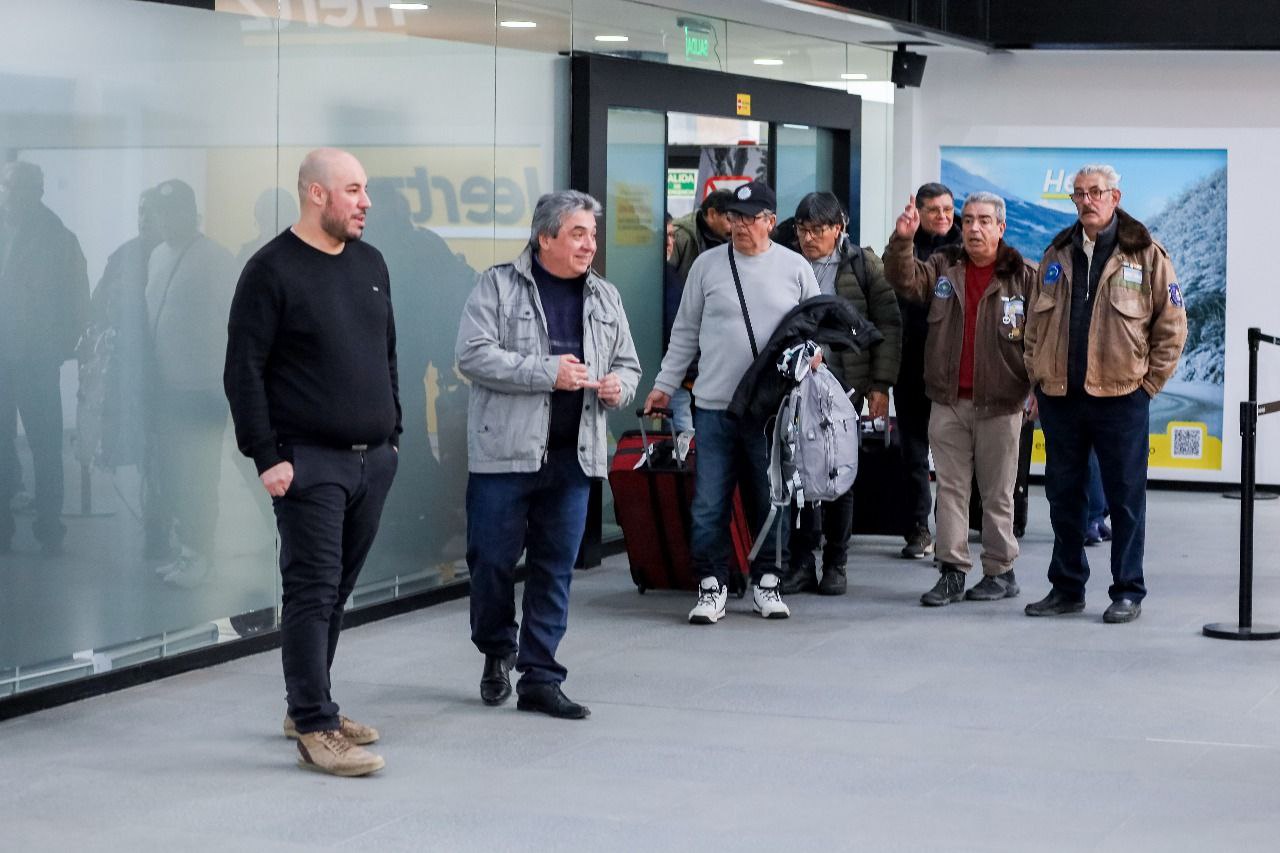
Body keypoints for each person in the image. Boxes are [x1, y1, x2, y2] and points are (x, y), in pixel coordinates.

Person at [225, 148, 399, 776]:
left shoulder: (371, 262)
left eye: (364, 189)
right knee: (312, 591)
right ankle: (315, 726)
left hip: (372, 461)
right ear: (316, 194)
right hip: (308, 464)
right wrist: (266, 456)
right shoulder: (270, 270)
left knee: (337, 592)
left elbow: (387, 354)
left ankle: (308, 705)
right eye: (353, 190)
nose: (366, 202)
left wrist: (394, 436)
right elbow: (242, 371)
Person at [456, 190, 640, 720]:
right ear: (545, 237)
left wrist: (619, 387)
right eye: (578, 234)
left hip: (573, 458)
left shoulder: (606, 296)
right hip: (504, 456)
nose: (589, 245)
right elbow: (472, 355)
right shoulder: (497, 285)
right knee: (491, 561)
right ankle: (497, 648)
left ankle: (540, 676)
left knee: (554, 569)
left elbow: (628, 364)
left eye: (592, 234)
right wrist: (546, 372)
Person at [643, 180, 821, 624]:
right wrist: (664, 385)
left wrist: (814, 356)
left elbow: (817, 328)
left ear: (770, 221)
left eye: (750, 218)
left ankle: (768, 582)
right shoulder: (706, 267)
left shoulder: (795, 268)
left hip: (771, 410)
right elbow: (685, 332)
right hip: (713, 405)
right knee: (708, 502)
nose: (739, 226)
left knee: (771, 499)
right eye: (734, 217)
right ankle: (711, 585)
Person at [1023, 164, 1187, 624]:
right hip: (1062, 398)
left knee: (1125, 499)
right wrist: (1038, 377)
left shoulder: (1146, 254)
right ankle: (1066, 587)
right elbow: (1034, 325)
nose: (1086, 201)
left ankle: (1128, 591)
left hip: (1121, 398)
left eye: (1096, 192)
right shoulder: (1057, 252)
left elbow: (1172, 326)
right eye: (1079, 194)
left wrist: (1147, 386)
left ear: (1115, 197)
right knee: (1063, 497)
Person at [884, 191, 1035, 607]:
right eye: (967, 220)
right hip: (949, 400)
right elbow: (903, 279)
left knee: (997, 492)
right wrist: (903, 240)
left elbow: (1041, 337)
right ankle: (952, 571)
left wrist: (1036, 388)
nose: (973, 228)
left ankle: (1001, 571)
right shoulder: (943, 265)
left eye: (984, 220)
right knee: (950, 488)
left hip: (1001, 402)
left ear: (1001, 227)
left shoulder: (1023, 275)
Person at [779, 191, 901, 596]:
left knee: (837, 470)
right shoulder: (783, 258)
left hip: (843, 384)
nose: (808, 238)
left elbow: (888, 324)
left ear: (838, 228)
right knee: (795, 472)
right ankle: (800, 562)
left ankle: (836, 562)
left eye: (818, 230)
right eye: (802, 229)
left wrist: (880, 385)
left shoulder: (862, 264)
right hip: (794, 384)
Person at [144, 179, 237, 588]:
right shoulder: (157, 256)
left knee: (200, 477)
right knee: (173, 477)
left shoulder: (215, 258)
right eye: (160, 214)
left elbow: (237, 321)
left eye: (172, 213)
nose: (165, 221)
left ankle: (202, 555)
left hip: (204, 390)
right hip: (167, 388)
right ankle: (187, 550)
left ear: (190, 213)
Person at [0, 161, 89, 555]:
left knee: (45, 446)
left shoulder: (58, 238)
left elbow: (78, 299)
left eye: (23, 187)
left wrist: (58, 348)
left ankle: (49, 526)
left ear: (38, 191)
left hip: (36, 360)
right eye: (9, 186)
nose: (13, 195)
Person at [896, 183, 962, 560]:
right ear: (919, 212)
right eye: (934, 210)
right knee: (913, 455)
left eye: (948, 209)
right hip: (910, 366)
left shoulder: (966, 249)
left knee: (952, 457)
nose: (942, 216)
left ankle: (949, 533)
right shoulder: (905, 247)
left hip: (952, 368)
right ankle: (918, 528)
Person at [667, 190, 732, 433]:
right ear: (712, 214)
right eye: (729, 218)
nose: (734, 225)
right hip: (686, 324)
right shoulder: (683, 236)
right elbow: (667, 284)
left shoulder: (731, 240)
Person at [660, 211, 693, 432]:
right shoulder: (666, 276)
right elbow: (678, 328)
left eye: (672, 235)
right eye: (664, 236)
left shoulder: (670, 275)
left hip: (672, 372)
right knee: (683, 433)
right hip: (669, 371)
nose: (669, 242)